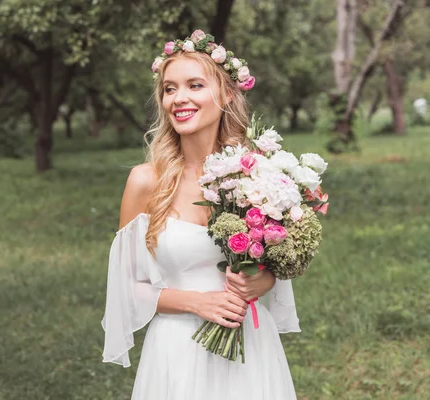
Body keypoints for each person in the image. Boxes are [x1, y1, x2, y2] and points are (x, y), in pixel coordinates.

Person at [101, 30, 300, 400]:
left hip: (249, 346)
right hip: (178, 349)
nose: (179, 99)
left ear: (226, 93)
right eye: (170, 89)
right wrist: (197, 302)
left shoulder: (255, 176)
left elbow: (273, 264)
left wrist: (263, 282)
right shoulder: (145, 182)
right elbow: (125, 289)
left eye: (194, 85)